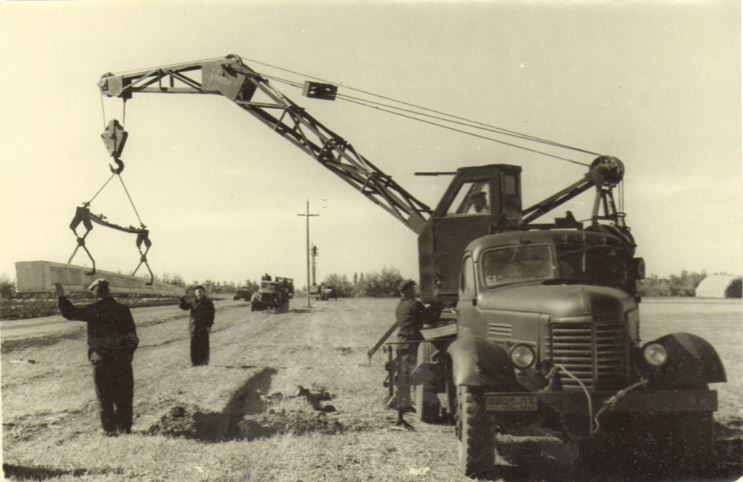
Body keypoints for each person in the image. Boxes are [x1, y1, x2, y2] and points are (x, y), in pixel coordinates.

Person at [56, 279, 139, 436]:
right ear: (108, 291)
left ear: (95, 292)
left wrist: (61, 297)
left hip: (101, 360)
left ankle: (109, 431)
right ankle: (124, 429)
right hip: (121, 359)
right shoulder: (123, 309)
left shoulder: (93, 310)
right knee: (124, 396)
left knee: (105, 397)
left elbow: (70, 313)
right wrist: (127, 355)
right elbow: (133, 337)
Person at [179, 285, 215, 366]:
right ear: (195, 293)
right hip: (193, 326)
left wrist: (209, 326)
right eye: (197, 291)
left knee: (204, 345)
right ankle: (194, 362)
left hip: (204, 327)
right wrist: (181, 299)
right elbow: (184, 307)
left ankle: (204, 362)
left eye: (201, 291)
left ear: (204, 292)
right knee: (193, 345)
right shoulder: (192, 301)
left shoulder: (208, 302)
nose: (199, 293)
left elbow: (211, 314)